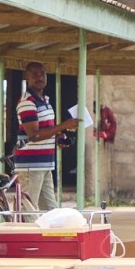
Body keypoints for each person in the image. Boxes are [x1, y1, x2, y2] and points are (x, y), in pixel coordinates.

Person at [16, 61, 77, 212]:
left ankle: (46, 236)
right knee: (28, 212)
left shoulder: (44, 101)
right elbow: (34, 135)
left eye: (42, 73)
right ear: (27, 77)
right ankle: (23, 236)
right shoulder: (27, 102)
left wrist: (56, 136)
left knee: (50, 212)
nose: (39, 77)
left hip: (44, 164)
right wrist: (63, 125)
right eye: (34, 74)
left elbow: (45, 130)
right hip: (30, 166)